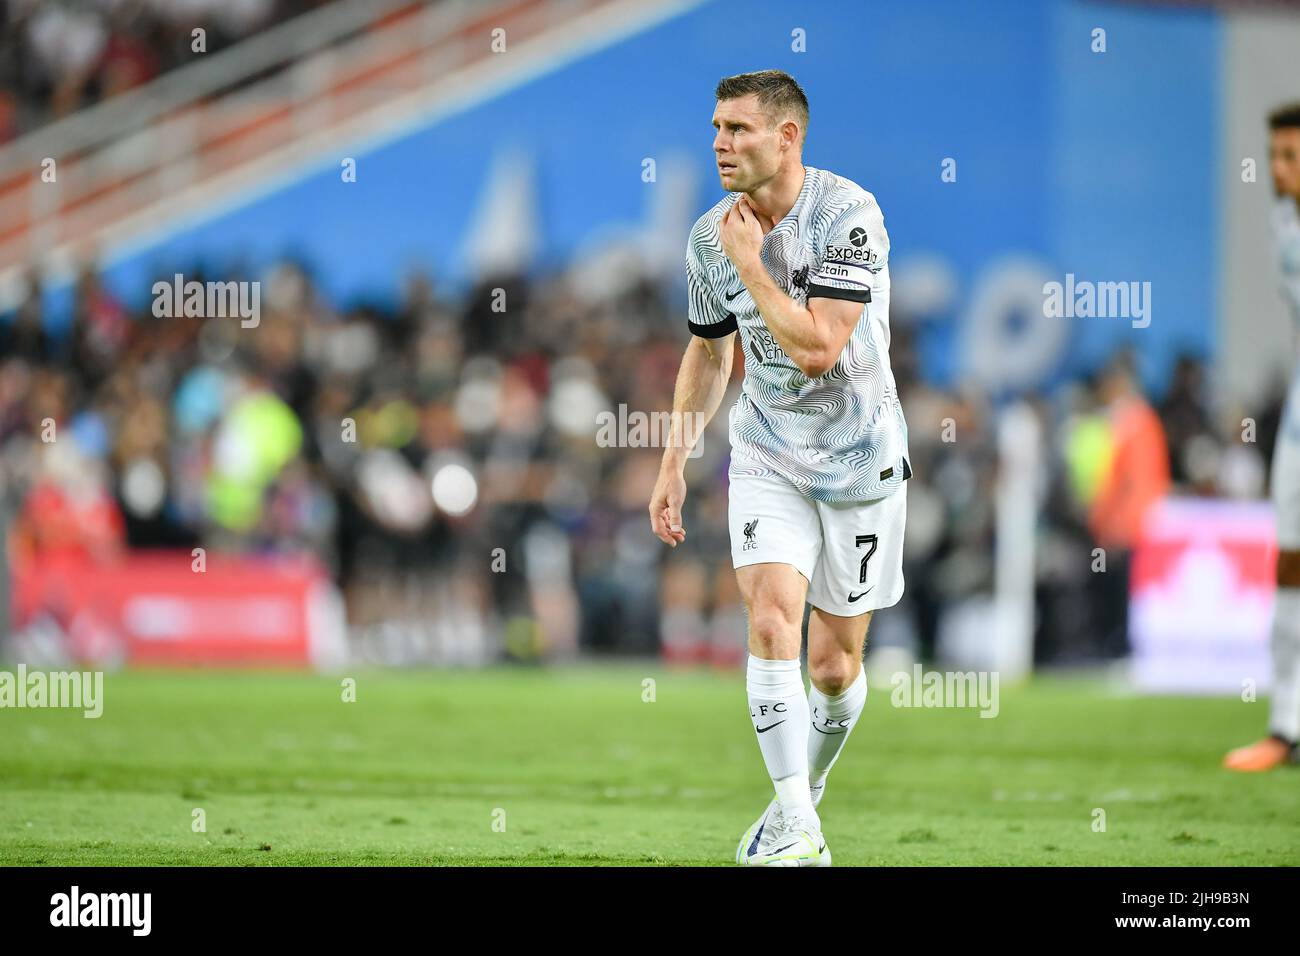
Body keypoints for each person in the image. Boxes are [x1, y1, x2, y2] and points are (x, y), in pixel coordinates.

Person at [647, 70, 911, 865]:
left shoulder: (847, 216)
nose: (721, 144)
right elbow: (707, 349)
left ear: (787, 136)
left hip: (862, 461)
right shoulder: (707, 237)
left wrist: (753, 266)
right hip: (766, 452)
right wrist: (672, 459)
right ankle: (798, 826)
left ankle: (802, 795)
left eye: (739, 130)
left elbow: (821, 349)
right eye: (716, 129)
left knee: (834, 669)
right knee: (768, 624)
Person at [1224, 102, 1300, 771]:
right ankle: (1286, 725)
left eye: (1291, 158)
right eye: (1274, 157)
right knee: (1290, 563)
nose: (1278, 171)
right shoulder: (1284, 220)